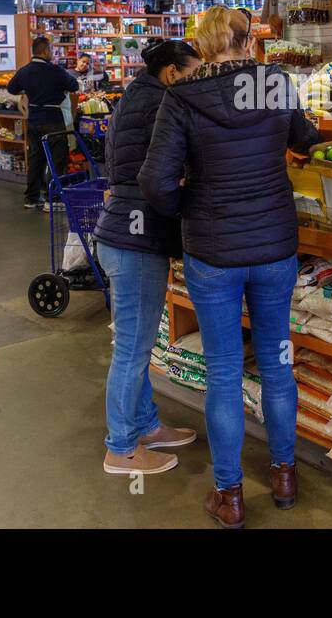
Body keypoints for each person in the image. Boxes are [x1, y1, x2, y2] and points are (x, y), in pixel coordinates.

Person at [140, 6, 320, 528]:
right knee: (277, 361)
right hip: (274, 249)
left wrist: (187, 211)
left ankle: (230, 495)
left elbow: (155, 183)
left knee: (223, 373)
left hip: (212, 253)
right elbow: (305, 140)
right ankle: (285, 475)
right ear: (249, 41)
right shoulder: (276, 84)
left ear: (202, 43)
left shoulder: (181, 96)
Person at [96, 39, 202, 476]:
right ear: (173, 72)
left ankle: (145, 426)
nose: (197, 79)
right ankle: (120, 449)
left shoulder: (135, 97)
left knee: (133, 344)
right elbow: (157, 175)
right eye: (194, 72)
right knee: (133, 350)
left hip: (121, 230)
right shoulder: (162, 104)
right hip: (136, 238)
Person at [7, 36, 80, 209]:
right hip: (53, 119)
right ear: (45, 51)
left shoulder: (24, 71)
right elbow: (74, 85)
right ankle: (52, 199)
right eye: (52, 49)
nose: (53, 53)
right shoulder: (55, 70)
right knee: (56, 160)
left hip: (33, 119)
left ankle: (31, 197)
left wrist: (30, 89)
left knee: (35, 158)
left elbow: (11, 88)